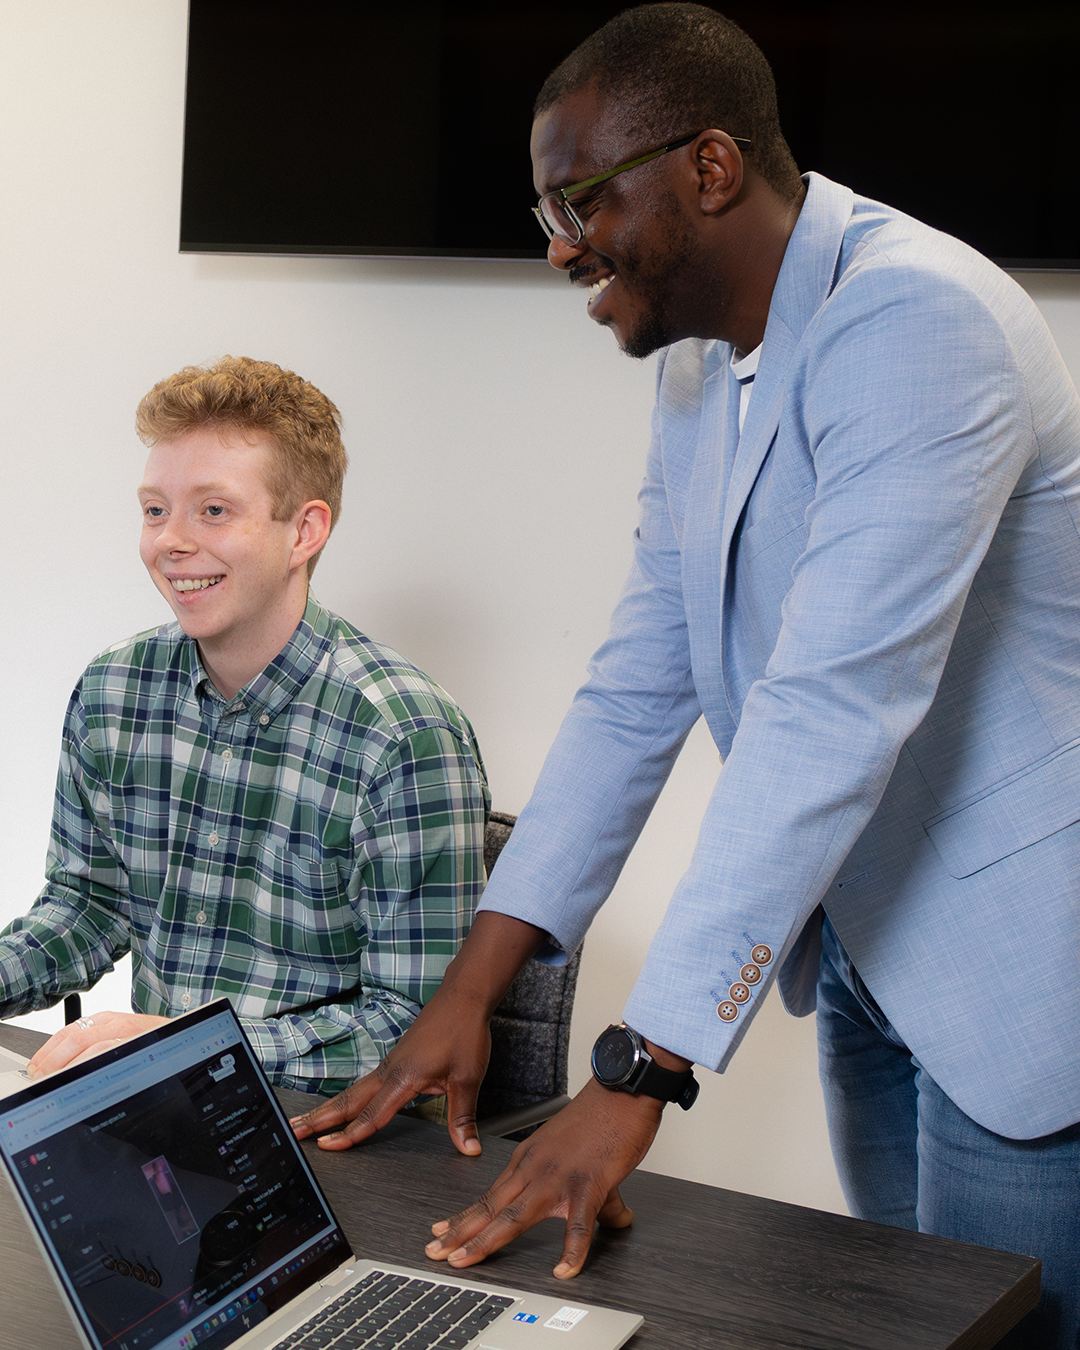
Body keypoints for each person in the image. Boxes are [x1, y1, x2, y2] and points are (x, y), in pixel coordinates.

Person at [293, 6, 1080, 1344]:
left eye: (578, 198)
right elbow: (638, 681)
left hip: (1021, 977)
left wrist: (640, 1065)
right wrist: (473, 987)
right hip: (866, 956)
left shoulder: (920, 322)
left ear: (709, 169)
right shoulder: (704, 366)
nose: (558, 244)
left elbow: (829, 708)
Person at [1, 355, 489, 1097]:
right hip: (162, 1106)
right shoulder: (113, 689)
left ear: (304, 532)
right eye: (155, 509)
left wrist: (185, 1048)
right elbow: (88, 906)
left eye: (214, 510)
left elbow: (413, 1027)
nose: (170, 541)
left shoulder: (406, 737)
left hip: (328, 1129)